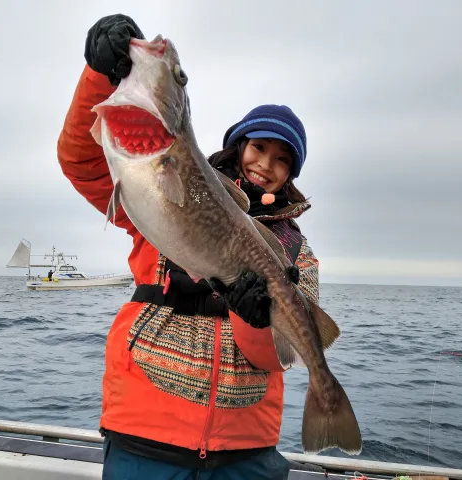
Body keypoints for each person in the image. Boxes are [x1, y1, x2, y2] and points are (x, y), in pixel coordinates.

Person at [57, 14, 321, 480]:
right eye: (259, 147)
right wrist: (101, 74)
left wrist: (251, 313)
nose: (266, 165)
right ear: (238, 146)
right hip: (145, 432)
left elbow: (273, 356)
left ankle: (329, 401)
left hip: (246, 451)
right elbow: (82, 161)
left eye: (283, 160)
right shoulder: (154, 195)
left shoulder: (295, 253)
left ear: (291, 176)